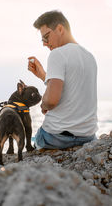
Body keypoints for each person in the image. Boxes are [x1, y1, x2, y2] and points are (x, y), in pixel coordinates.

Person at [27, 10, 98, 149]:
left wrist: (43, 104)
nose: (45, 43)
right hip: (88, 138)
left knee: (36, 139)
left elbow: (51, 101)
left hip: (57, 138)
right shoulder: (89, 56)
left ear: (60, 29)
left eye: (46, 37)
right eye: (43, 40)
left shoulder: (57, 54)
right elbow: (71, 89)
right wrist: (43, 76)